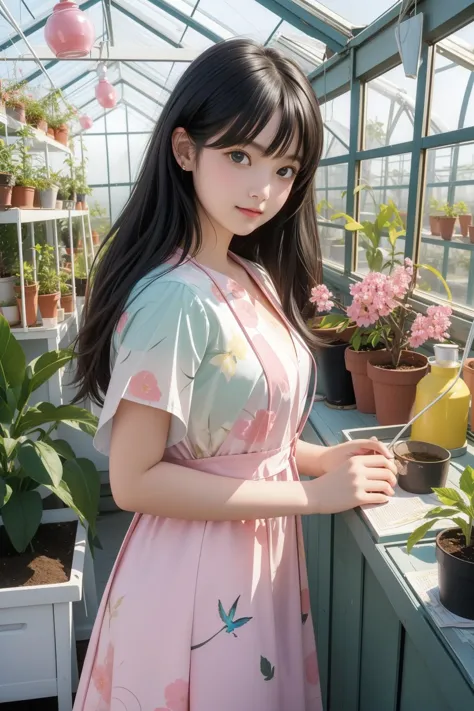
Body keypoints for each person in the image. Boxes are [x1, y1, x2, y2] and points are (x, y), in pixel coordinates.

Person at [72, 38, 397, 711]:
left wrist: (315, 457)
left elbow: (236, 437)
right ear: (186, 150)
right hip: (196, 577)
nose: (263, 189)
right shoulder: (172, 297)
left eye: (284, 168)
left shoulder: (248, 274)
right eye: (241, 156)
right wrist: (313, 496)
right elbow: (134, 480)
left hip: (253, 562)